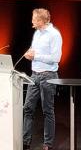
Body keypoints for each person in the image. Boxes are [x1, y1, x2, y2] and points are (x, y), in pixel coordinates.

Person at [22, 8, 62, 150]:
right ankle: (25, 142)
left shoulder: (54, 34)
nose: (32, 21)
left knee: (47, 111)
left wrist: (36, 56)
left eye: (34, 19)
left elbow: (56, 58)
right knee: (27, 108)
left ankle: (48, 144)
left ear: (41, 20)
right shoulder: (37, 33)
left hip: (48, 76)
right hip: (34, 75)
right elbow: (34, 51)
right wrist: (29, 54)